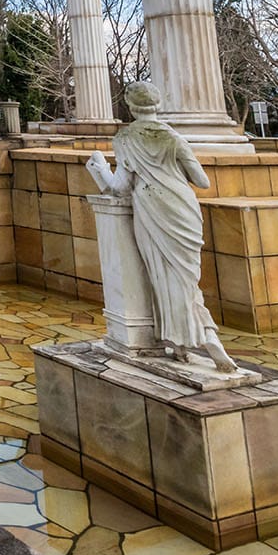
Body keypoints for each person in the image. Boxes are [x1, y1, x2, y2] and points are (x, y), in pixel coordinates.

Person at [86, 82, 238, 372]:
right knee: (185, 279)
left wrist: (98, 168)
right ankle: (184, 343)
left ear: (131, 107)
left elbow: (119, 187)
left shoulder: (126, 138)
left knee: (163, 279)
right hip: (184, 208)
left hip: (152, 209)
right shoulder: (174, 137)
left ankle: (202, 336)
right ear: (157, 105)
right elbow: (202, 181)